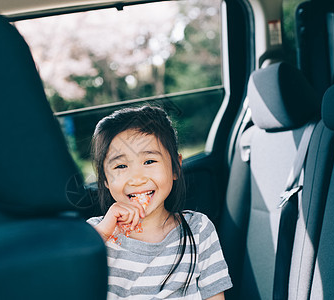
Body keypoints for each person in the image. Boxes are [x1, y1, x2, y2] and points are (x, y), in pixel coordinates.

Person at [87, 106, 232, 299]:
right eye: (121, 166)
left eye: (149, 161)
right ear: (105, 180)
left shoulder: (199, 229)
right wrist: (103, 234)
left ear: (175, 167)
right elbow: (63, 277)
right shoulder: (97, 234)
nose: (137, 178)